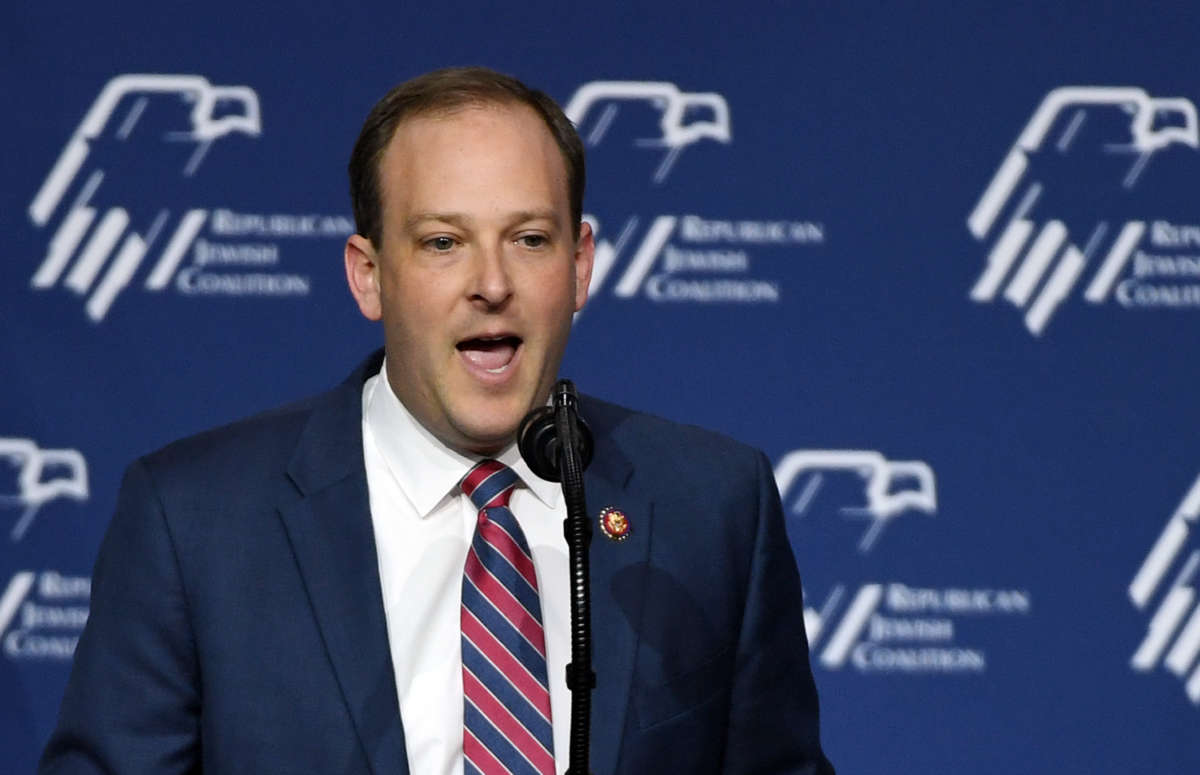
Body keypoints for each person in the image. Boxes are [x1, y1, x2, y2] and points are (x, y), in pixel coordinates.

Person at [40, 67, 835, 774]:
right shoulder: (194, 521)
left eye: (529, 238)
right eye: (444, 242)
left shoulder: (713, 506)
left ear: (581, 265)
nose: (491, 283)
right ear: (369, 276)